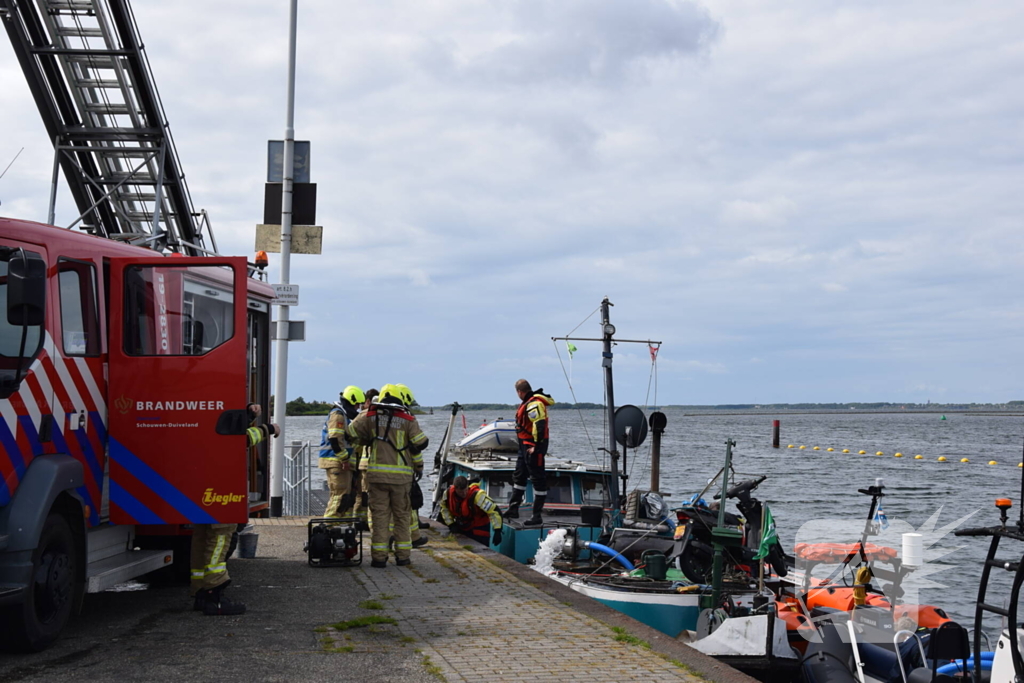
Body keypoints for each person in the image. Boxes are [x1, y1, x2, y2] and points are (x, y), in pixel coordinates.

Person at [191, 403, 279, 615]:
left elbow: (230, 430)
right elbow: (238, 440)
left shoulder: (199, 413)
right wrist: (269, 429)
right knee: (220, 535)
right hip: (220, 486)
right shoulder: (216, 415)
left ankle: (201, 593)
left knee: (202, 537)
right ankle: (214, 594)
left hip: (201, 483)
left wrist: (249, 415)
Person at [348, 384, 428, 568]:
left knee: (380, 518)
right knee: (401, 517)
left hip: (376, 478)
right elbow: (421, 443)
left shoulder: (370, 416)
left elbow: (350, 433)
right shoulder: (407, 418)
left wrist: (368, 438)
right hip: (401, 480)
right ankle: (403, 557)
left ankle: (379, 558)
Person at [506, 379, 554, 526]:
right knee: (519, 476)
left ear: (520, 392)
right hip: (524, 446)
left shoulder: (534, 404)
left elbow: (539, 425)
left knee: (538, 480)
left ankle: (536, 515)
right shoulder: (528, 402)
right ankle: (513, 508)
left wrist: (537, 447)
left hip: (532, 447)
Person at [318, 386, 365, 518]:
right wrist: (344, 459)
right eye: (356, 405)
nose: (358, 408)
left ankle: (344, 527)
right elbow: (335, 439)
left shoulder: (343, 415)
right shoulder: (338, 415)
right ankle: (328, 527)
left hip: (341, 461)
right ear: (351, 401)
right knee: (340, 497)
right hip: (336, 461)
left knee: (348, 498)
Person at [440, 475, 503, 546]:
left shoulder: (477, 496)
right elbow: (444, 509)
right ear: (455, 489)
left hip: (480, 529)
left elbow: (494, 511)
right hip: (463, 527)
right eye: (461, 492)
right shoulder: (448, 494)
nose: (464, 494)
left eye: (465, 490)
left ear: (467, 486)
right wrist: (451, 524)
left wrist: (497, 530)